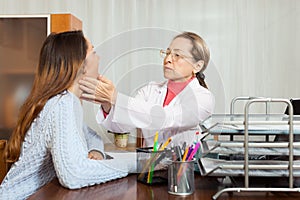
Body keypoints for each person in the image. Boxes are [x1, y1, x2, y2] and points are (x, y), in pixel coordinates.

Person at [0, 30, 135, 200]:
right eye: (93, 52)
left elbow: (91, 136)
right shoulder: (61, 104)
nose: (98, 58)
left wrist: (96, 152)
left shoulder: (70, 101)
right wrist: (138, 164)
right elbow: (73, 175)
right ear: (81, 65)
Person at [79, 32, 215, 147]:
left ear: (197, 66)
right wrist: (107, 103)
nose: (167, 59)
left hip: (185, 172)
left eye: (177, 55)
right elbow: (121, 127)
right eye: (167, 53)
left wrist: (115, 98)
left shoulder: (203, 98)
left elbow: (165, 118)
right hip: (152, 170)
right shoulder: (150, 90)